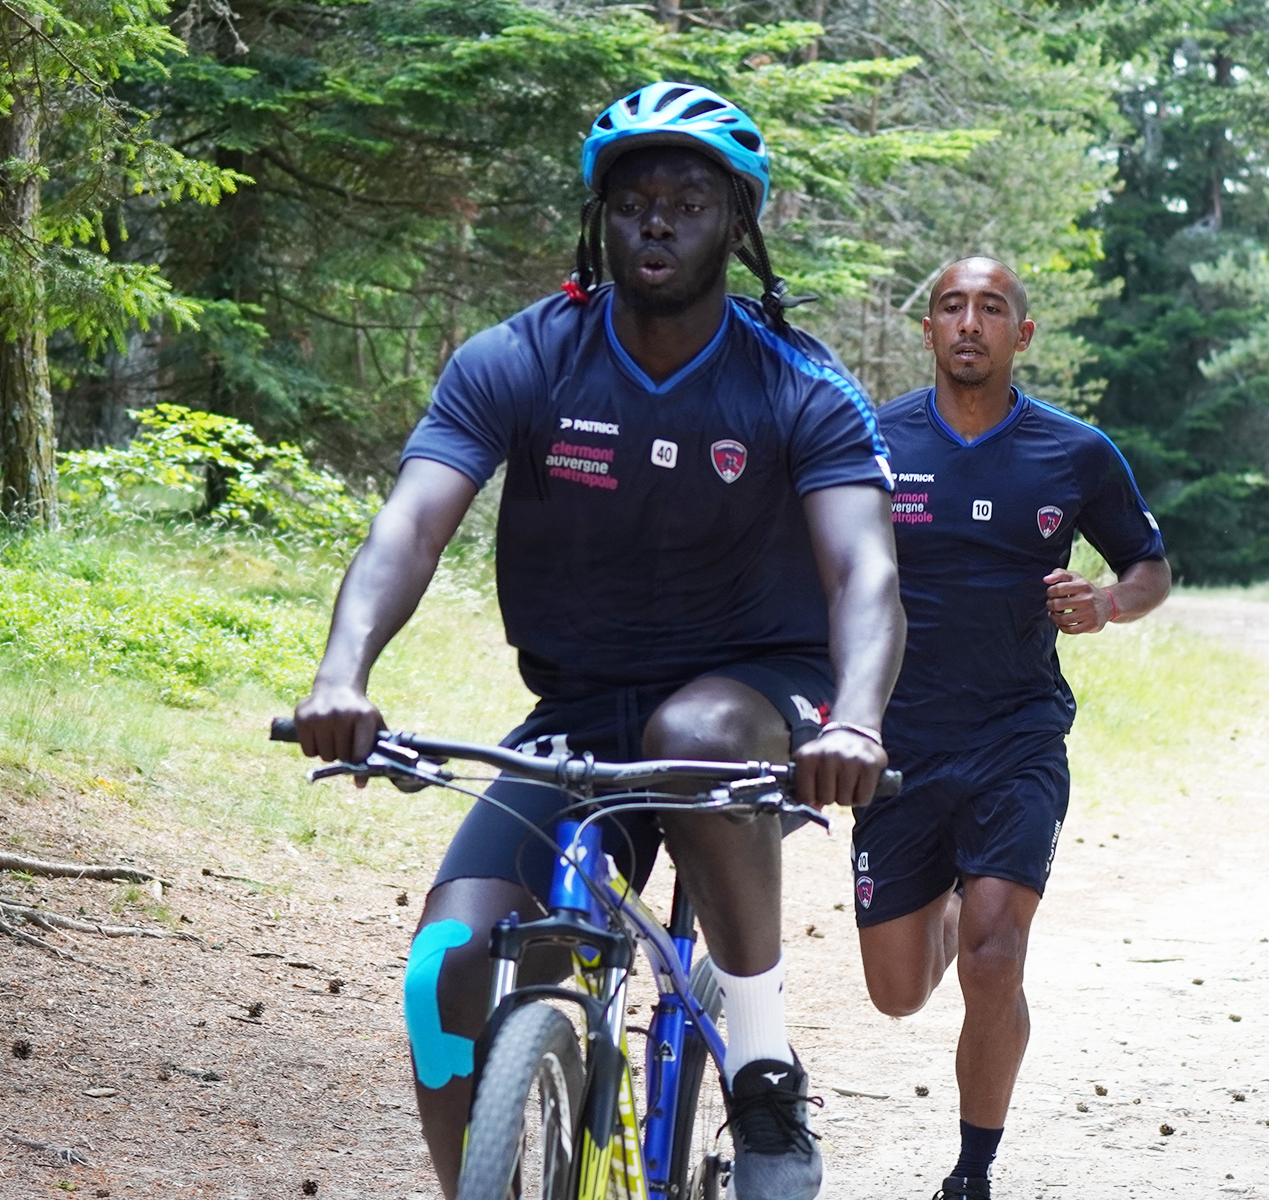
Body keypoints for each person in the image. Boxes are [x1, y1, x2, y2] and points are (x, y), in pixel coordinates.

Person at [293, 82, 904, 1200]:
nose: (657, 221)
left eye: (688, 199)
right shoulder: (522, 358)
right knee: (444, 969)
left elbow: (865, 570)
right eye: (632, 200)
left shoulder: (797, 383)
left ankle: (763, 1068)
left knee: (696, 727)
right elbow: (410, 525)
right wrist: (343, 673)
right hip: (578, 713)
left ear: (738, 221)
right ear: (599, 220)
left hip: (758, 702)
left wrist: (856, 719)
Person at [852, 257, 1171, 1199]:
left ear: (1020, 335)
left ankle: (972, 1170)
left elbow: (1148, 566)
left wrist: (1105, 605)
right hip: (896, 744)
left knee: (997, 956)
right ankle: (950, 902)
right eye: (952, 306)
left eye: (991, 309)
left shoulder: (1073, 452)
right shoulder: (873, 440)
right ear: (930, 330)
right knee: (899, 991)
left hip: (1017, 736)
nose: (969, 322)